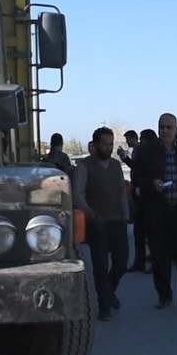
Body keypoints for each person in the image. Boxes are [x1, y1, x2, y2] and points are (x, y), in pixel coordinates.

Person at [135, 113, 177, 316]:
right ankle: (164, 296)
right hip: (157, 214)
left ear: (175, 129)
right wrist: (151, 183)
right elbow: (137, 178)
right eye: (162, 127)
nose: (165, 131)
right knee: (160, 259)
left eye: (169, 127)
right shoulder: (147, 152)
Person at [73, 126, 130, 322]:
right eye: (105, 144)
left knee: (121, 263)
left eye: (110, 144)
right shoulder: (84, 166)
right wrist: (88, 211)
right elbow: (78, 193)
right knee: (101, 266)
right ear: (96, 145)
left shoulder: (115, 166)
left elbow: (121, 191)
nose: (108, 148)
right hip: (98, 224)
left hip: (118, 221)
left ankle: (109, 292)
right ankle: (104, 306)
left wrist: (126, 212)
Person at [119, 130, 149, 272]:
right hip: (138, 193)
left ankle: (143, 261)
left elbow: (137, 168)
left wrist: (125, 158)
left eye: (128, 140)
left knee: (144, 231)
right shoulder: (138, 151)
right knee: (140, 231)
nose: (127, 142)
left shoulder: (142, 152)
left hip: (143, 194)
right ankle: (140, 261)